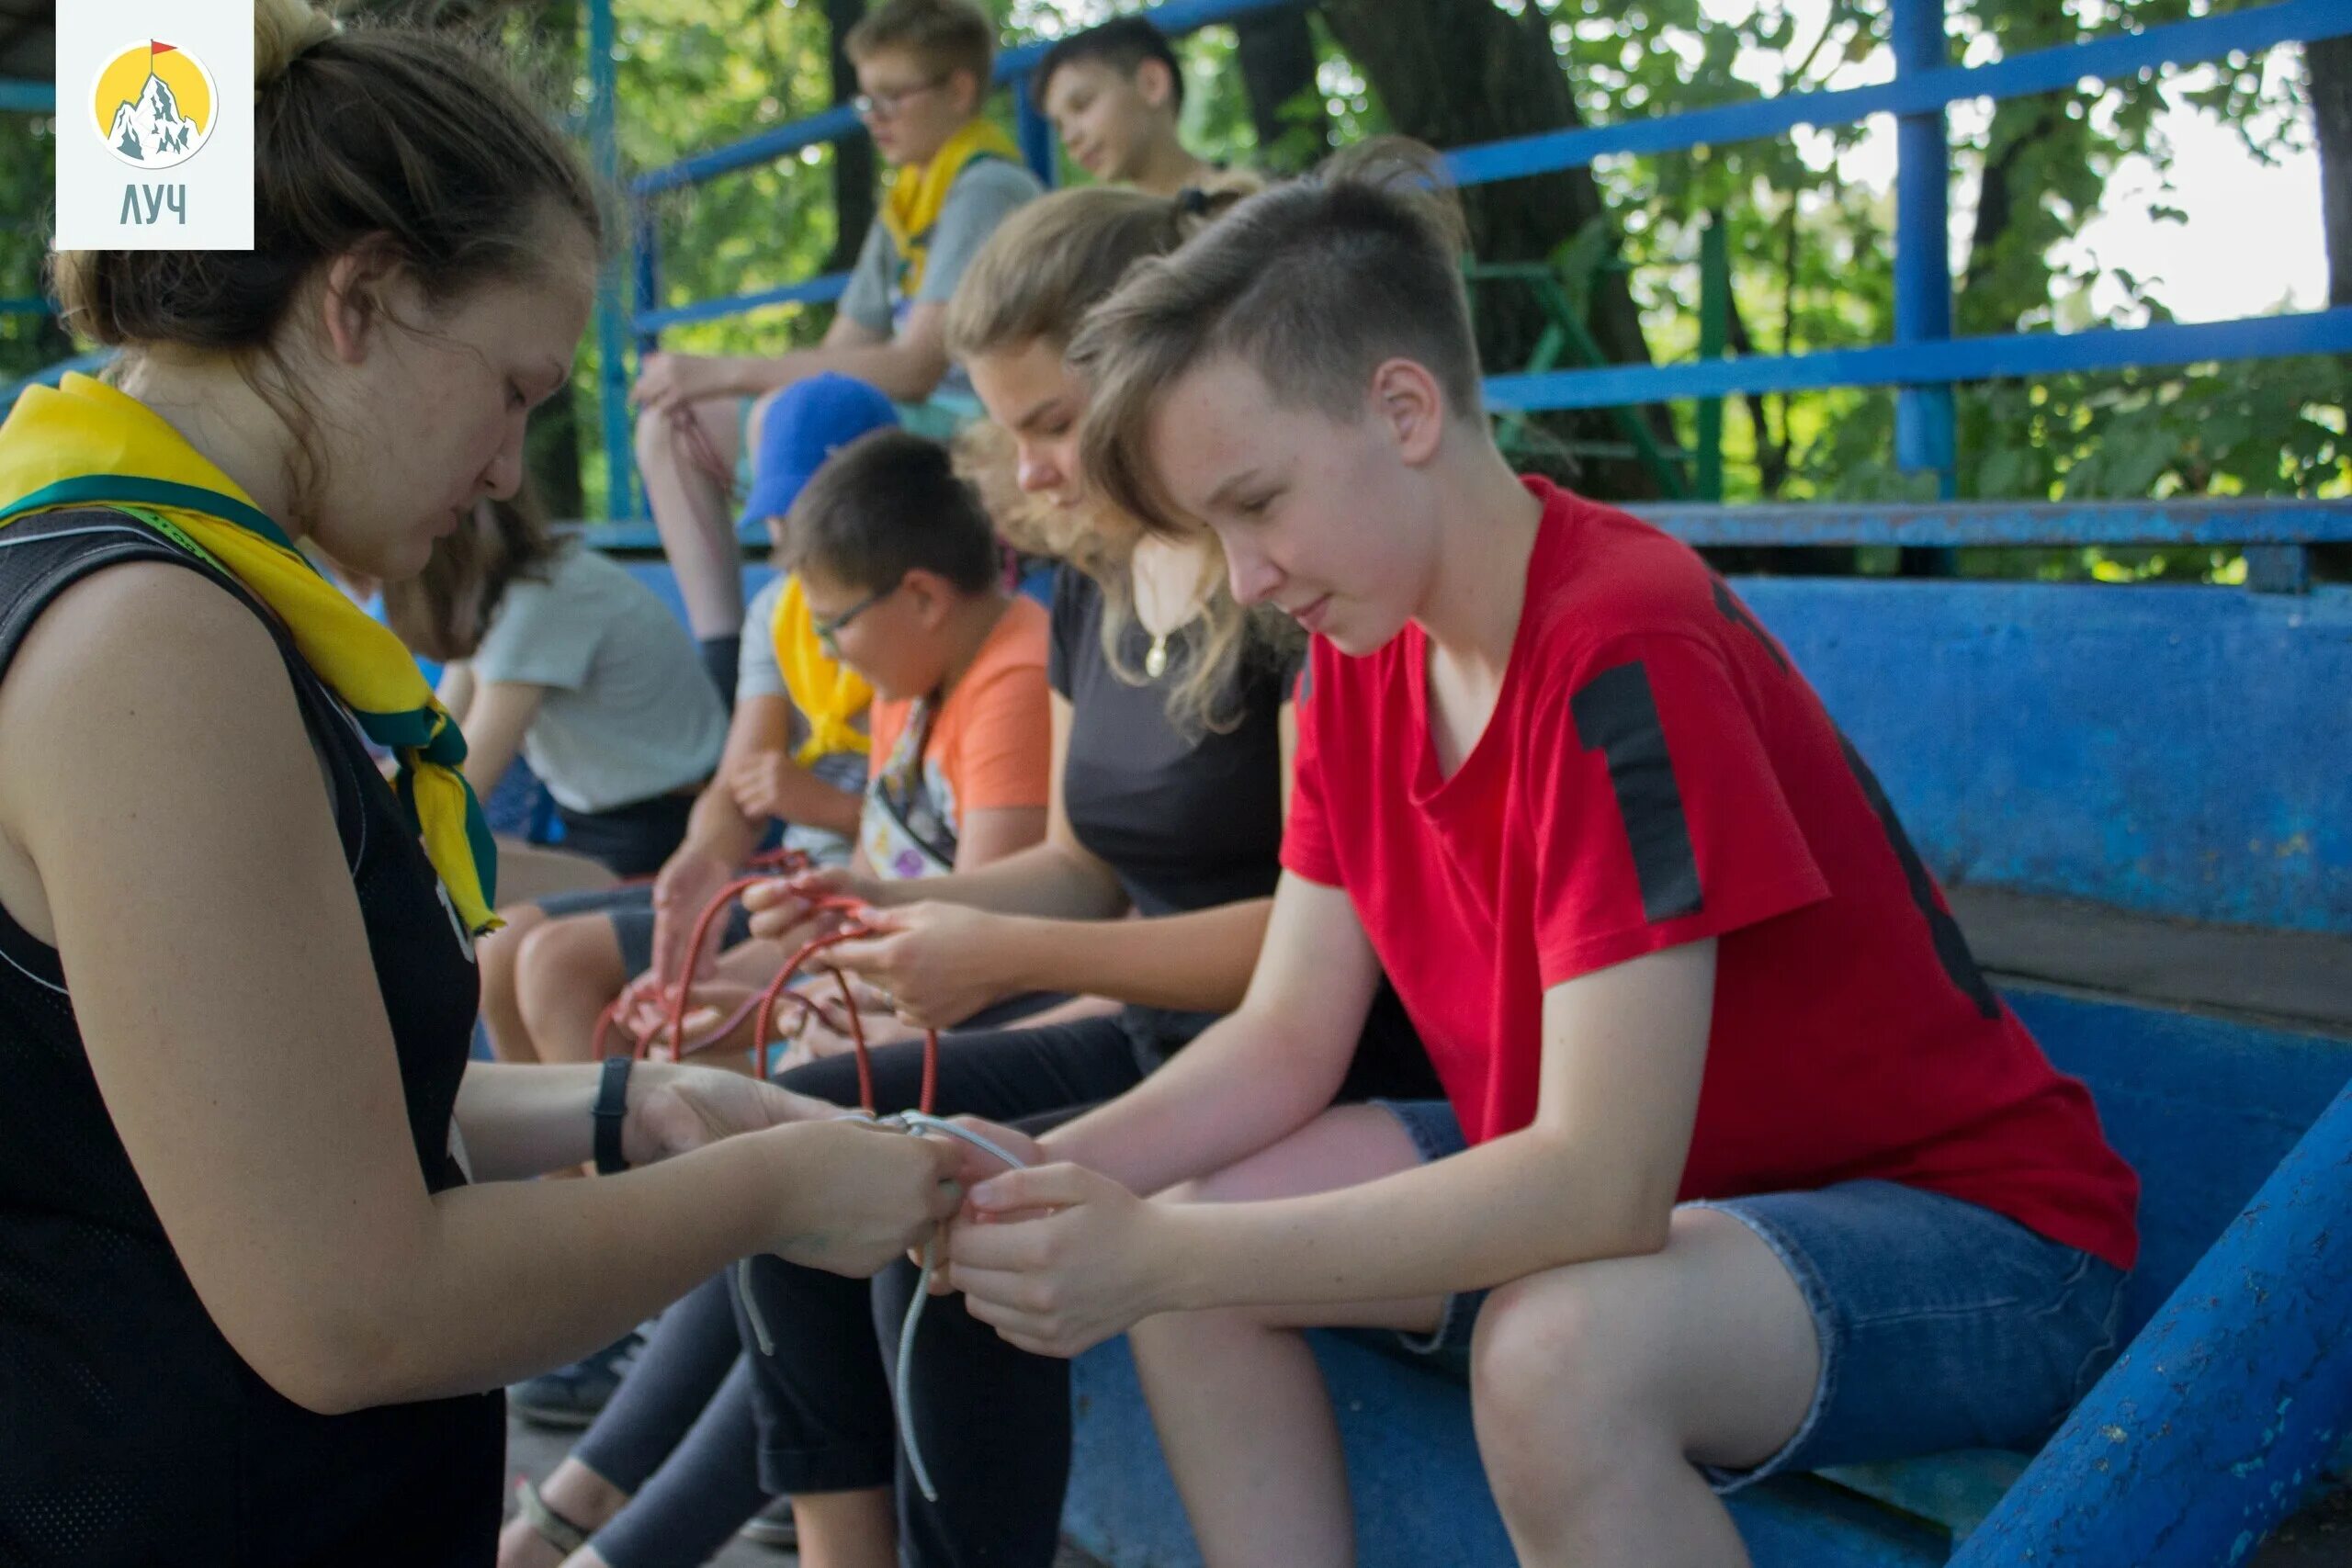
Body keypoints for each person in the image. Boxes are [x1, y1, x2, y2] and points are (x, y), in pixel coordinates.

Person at [933, 145, 2142, 1568]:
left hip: (1971, 1235)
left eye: (1258, 503)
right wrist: (1029, 1174)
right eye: (1216, 529)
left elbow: (1596, 1188)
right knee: (1203, 1227)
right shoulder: (1358, 655)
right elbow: (1282, 1036)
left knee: (1556, 1352)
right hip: (1692, 1201)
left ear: (1404, 408)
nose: (1245, 575)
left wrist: (1156, 1253)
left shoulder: (1621, 639)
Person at [0, 7, 960, 1564]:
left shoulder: (129, 577)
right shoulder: (151, 642)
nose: (513, 467)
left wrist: (621, 1100)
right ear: (361, 298)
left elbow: (232, 1112)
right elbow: (351, 1307)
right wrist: (773, 1185)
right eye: (514, 388)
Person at [493, 182, 1439, 1568]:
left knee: (947, 1198)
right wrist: (878, 911)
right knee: (797, 1128)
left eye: (1053, 422)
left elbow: (1298, 956)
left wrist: (1000, 956)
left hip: (1270, 1041)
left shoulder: (1290, 585)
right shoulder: (1104, 591)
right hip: (1137, 1022)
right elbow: (1073, 866)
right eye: (1011, 430)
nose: (1033, 470)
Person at [477, 374, 899, 1077]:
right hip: (788, 883)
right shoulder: (780, 613)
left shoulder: (912, 623)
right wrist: (704, 857)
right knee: (502, 945)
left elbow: (923, 843)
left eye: (811, 518)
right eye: (779, 521)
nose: (790, 544)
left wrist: (819, 806)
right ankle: (585, 1181)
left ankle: (642, 1179)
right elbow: (739, 788)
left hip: (851, 891)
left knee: (559, 963)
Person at [632, 0, 1043, 703]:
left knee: (774, 418)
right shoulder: (912, 198)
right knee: (675, 422)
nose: (874, 116)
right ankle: (728, 665)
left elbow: (915, 366)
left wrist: (726, 370)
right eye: (866, 98)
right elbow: (839, 353)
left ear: (960, 91)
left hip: (988, 431)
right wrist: (740, 390)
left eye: (892, 96)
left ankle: (819, 646)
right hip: (918, 429)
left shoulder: (986, 186)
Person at [383, 489, 727, 880]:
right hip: (609, 826)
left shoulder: (539, 602)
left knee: (424, 868)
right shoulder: (516, 589)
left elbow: (460, 791)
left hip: (656, 832)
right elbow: (428, 742)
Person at [1033, 16, 1219, 197]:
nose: (1069, 138)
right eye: (1059, 126)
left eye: (1082, 104)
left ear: (1151, 83)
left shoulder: (1241, 205)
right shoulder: (1109, 227)